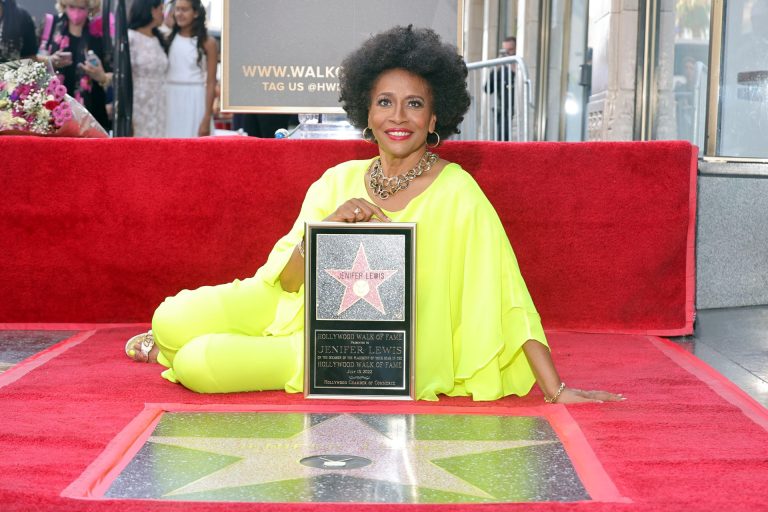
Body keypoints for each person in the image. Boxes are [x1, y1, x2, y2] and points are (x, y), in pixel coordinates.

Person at [125, 26, 623, 405]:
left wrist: (556, 390)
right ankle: (169, 341)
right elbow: (289, 284)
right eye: (385, 102)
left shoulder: (459, 193)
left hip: (370, 353)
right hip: (292, 307)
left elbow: (511, 298)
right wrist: (326, 232)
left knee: (198, 362)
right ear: (366, 112)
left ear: (435, 118)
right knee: (170, 316)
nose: (398, 117)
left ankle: (176, 353)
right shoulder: (336, 179)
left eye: (414, 105)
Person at [40, 0, 110, 131]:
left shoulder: (99, 33)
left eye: (81, 8)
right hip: (53, 110)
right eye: (72, 7)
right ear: (64, 5)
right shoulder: (50, 26)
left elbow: (114, 73)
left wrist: (102, 77)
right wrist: (50, 61)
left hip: (92, 112)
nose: (76, 13)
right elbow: (33, 59)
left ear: (90, 8)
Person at [164, 0, 217, 137]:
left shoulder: (208, 43)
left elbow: (211, 83)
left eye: (185, 10)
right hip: (169, 98)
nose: (180, 14)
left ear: (196, 13)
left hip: (196, 100)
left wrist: (206, 117)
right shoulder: (167, 39)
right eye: (177, 10)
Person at [127, 0, 168, 137]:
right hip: (139, 102)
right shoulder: (130, 37)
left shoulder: (158, 39)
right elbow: (126, 76)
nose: (163, 14)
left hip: (160, 102)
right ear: (151, 10)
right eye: (161, 9)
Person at [484, 36, 516, 141]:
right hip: (502, 112)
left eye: (510, 50)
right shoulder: (500, 70)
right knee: (501, 141)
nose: (507, 54)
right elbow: (487, 89)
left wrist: (512, 66)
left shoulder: (518, 65)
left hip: (515, 112)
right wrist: (496, 67)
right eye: (504, 51)